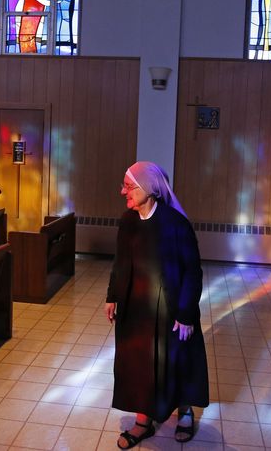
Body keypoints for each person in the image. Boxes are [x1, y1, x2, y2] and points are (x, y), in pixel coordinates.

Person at [105, 161, 209, 449]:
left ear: (148, 188)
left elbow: (193, 271)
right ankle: (143, 419)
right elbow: (120, 262)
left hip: (172, 311)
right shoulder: (127, 221)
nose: (122, 191)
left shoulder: (176, 224)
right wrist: (112, 295)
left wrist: (187, 313)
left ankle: (184, 410)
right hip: (136, 309)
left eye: (129, 186)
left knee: (176, 362)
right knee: (138, 364)